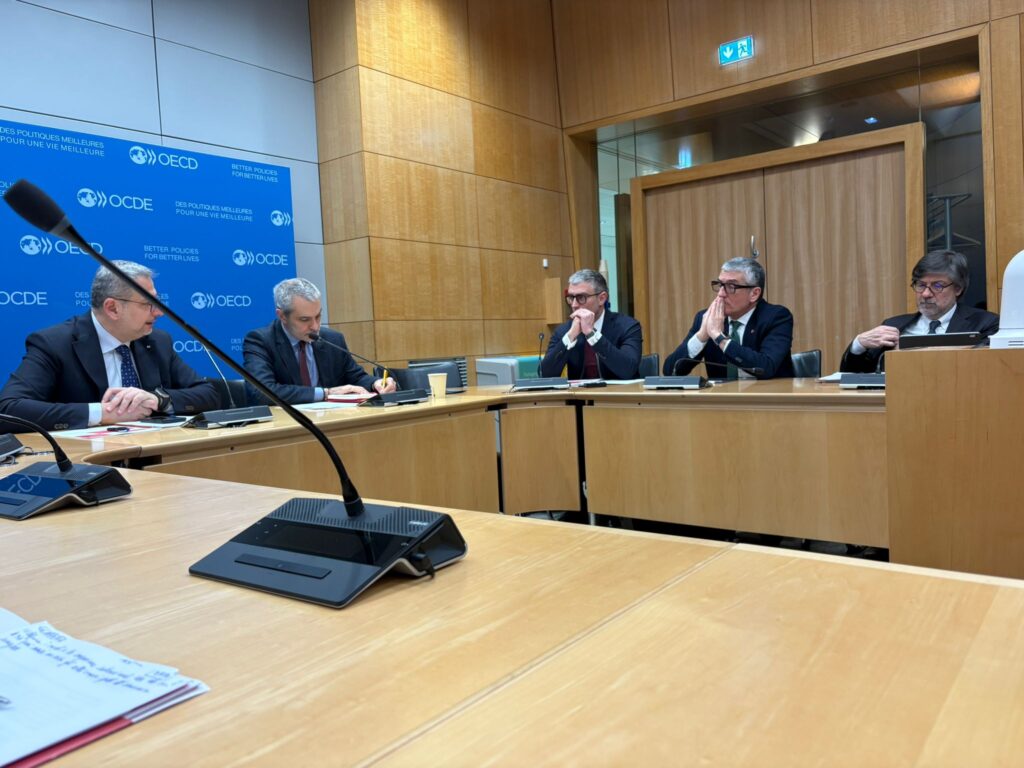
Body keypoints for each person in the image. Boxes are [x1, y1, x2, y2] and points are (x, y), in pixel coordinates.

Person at [0, 261, 218, 432]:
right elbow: (8, 409)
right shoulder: (55, 343)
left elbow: (208, 394)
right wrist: (102, 413)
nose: (159, 312)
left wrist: (158, 400)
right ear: (112, 308)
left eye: (158, 302)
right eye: (148, 304)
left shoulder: (157, 341)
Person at [840, 250, 999, 373]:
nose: (926, 294)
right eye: (921, 285)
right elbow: (854, 376)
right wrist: (858, 344)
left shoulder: (985, 324)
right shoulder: (893, 325)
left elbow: (986, 369)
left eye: (937, 286)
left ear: (958, 289)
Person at [243, 278, 396, 404]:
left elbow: (356, 377)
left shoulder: (333, 339)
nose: (315, 326)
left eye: (318, 316)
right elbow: (261, 392)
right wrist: (326, 393)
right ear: (282, 316)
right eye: (305, 320)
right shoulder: (260, 341)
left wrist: (375, 384)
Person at [664, 257, 794, 379]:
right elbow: (670, 372)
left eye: (731, 286)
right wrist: (701, 336)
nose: (721, 294)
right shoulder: (708, 319)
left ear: (754, 294)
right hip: (723, 395)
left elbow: (766, 367)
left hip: (768, 394)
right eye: (720, 285)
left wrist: (719, 337)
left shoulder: (776, 317)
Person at [540, 269, 642, 380]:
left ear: (601, 298)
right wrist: (570, 337)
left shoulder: (627, 326)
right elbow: (545, 375)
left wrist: (591, 334)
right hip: (578, 392)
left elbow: (628, 370)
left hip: (619, 391)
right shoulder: (564, 331)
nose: (574, 305)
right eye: (571, 298)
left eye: (581, 298)